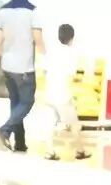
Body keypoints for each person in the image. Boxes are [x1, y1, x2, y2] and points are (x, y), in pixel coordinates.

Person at [0, 0, 43, 153]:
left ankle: (20, 142)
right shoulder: (32, 11)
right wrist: (46, 55)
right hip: (24, 67)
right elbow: (37, 37)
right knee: (27, 102)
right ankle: (5, 130)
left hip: (7, 66)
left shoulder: (3, 11)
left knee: (16, 102)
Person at [45, 21, 90, 161]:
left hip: (50, 92)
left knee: (50, 123)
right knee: (74, 123)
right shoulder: (70, 54)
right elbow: (72, 75)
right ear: (72, 37)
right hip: (63, 94)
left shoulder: (52, 51)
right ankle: (80, 151)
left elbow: (46, 69)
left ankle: (49, 151)